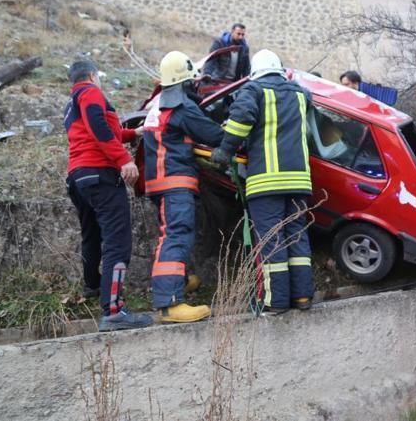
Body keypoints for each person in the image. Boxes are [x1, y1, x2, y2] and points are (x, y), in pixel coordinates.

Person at [211, 49, 314, 313]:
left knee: (272, 240)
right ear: (278, 68)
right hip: (299, 180)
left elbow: (241, 122)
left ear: (254, 71)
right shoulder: (301, 93)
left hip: (267, 181)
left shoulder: (254, 90)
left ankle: (275, 301)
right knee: (297, 237)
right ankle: (302, 297)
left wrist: (225, 150)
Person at [64, 60, 152, 332]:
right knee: (118, 241)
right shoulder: (90, 92)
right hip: (100, 174)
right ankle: (113, 310)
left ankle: (92, 285)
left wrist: (132, 133)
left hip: (78, 177)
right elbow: (97, 125)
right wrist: (123, 159)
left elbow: (100, 132)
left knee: (91, 233)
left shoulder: (71, 103)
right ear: (92, 75)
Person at [142, 51, 225, 323]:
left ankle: (177, 281)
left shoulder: (157, 105)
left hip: (160, 183)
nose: (195, 86)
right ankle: (169, 303)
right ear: (183, 81)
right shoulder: (182, 108)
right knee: (177, 235)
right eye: (192, 81)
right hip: (175, 182)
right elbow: (213, 135)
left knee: (173, 234)